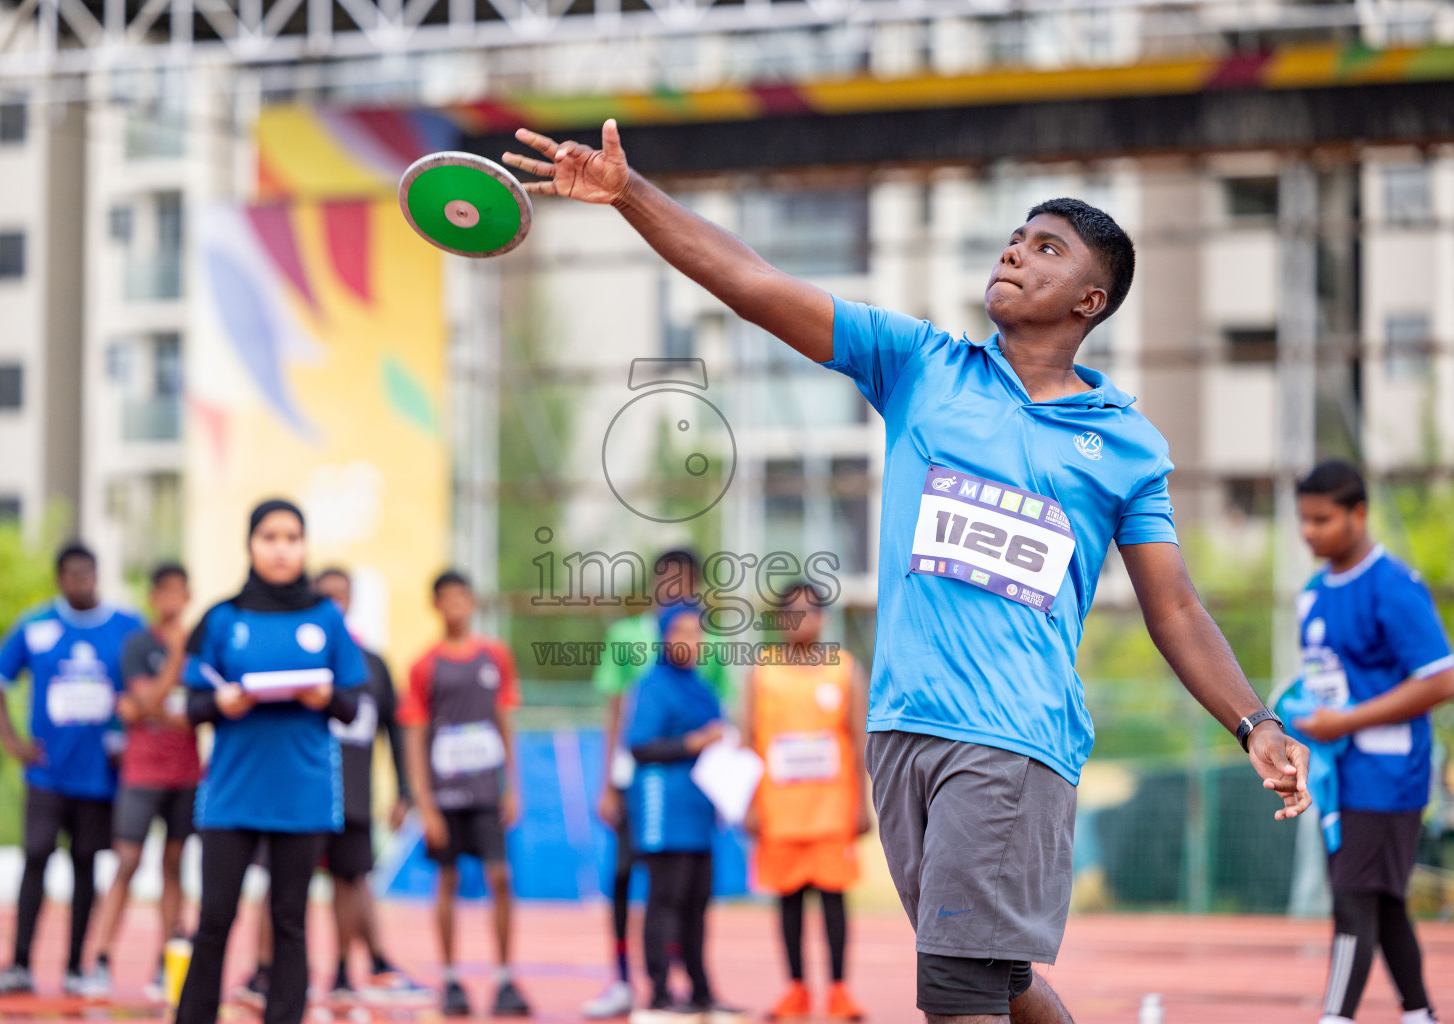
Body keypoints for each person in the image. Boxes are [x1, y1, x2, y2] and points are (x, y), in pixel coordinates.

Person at [504, 123, 1311, 1023]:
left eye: (1046, 246)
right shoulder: (922, 366)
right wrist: (629, 194)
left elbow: (1177, 608)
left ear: (1090, 299)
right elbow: (754, 282)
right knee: (994, 977)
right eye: (1016, 235)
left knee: (954, 991)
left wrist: (1255, 722)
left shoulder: (1125, 443)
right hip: (899, 733)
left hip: (1011, 737)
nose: (1015, 250)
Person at [174, 499, 366, 1024]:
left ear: (304, 546)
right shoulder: (223, 618)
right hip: (232, 795)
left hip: (302, 794)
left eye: (292, 537)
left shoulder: (326, 617)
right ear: (250, 545)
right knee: (214, 919)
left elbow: (353, 706)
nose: (282, 549)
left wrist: (323, 697)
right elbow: (189, 706)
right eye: (270, 537)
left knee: (290, 921)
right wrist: (221, 703)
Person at [1289, 461, 1451, 1024]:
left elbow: (1440, 679)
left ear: (1359, 514)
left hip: (1388, 775)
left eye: (1322, 519)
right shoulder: (1311, 595)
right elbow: (1323, 685)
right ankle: (1420, 1014)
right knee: (1382, 902)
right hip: (1339, 774)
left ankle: (1335, 1016)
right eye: (1303, 520)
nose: (1310, 532)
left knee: (1353, 899)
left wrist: (1348, 721)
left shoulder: (1393, 586)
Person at [0, 542, 144, 995]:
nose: (82, 582)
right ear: (60, 579)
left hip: (99, 774)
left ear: (97, 574)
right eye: (72, 575)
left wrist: (129, 735)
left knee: (85, 865)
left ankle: (76, 964)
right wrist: (12, 740)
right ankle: (19, 962)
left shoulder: (127, 627)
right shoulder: (36, 626)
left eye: (88, 573)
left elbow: (153, 677)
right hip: (47, 771)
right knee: (36, 855)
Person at [586, 550, 734, 1020]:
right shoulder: (637, 657)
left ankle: (698, 988)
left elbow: (722, 721)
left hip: (695, 799)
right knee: (640, 886)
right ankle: (637, 985)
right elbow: (628, 728)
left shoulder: (705, 672)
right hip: (651, 795)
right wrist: (608, 782)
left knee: (693, 896)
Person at [400, 571, 531, 1018]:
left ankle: (503, 977)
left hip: (486, 790)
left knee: (499, 877)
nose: (456, 605)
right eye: (446, 598)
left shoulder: (495, 656)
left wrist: (513, 785)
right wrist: (425, 803)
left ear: (473, 602)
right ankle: (451, 977)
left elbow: (505, 722)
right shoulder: (424, 665)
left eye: (462, 597)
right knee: (448, 880)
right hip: (446, 792)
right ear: (436, 605)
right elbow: (415, 736)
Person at [743, 582, 868, 1022]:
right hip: (779, 813)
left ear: (822, 618)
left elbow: (858, 741)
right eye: (791, 612)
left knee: (834, 901)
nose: (801, 620)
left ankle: (838, 990)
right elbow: (746, 741)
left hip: (831, 810)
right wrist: (750, 805)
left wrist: (861, 805)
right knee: (788, 903)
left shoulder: (844, 669)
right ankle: (795, 988)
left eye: (809, 611)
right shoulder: (761, 671)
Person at [81, 563, 200, 998]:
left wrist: (153, 708)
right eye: (164, 592)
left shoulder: (200, 649)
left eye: (180, 593)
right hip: (142, 771)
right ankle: (101, 956)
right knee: (127, 862)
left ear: (188, 598)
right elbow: (141, 703)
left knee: (174, 864)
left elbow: (191, 714)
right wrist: (172, 668)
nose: (172, 601)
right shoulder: (139, 645)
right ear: (154, 597)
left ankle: (168, 960)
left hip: (186, 773)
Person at [312, 567, 423, 998]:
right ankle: (267, 970)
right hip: (305, 791)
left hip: (354, 793)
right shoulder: (303, 658)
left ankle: (349, 969)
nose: (336, 604)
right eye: (327, 596)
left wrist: (404, 791)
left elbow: (394, 731)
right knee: (287, 883)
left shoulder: (372, 664)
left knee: (351, 877)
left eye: (342, 595)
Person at [626, 604, 738, 1024]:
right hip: (664, 810)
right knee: (665, 899)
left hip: (699, 812)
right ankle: (657, 991)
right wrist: (692, 743)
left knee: (696, 902)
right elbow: (640, 746)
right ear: (663, 637)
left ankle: (700, 988)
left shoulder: (704, 687)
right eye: (682, 632)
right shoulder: (653, 686)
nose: (691, 641)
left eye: (697, 633)